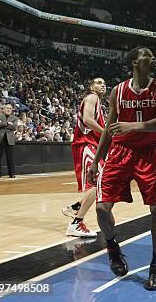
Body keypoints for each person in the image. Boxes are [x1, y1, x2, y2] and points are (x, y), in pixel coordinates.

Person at [88, 47, 156, 290]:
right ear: (135, 62)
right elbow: (109, 129)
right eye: (148, 54)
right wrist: (96, 161)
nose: (153, 57)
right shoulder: (118, 91)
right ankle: (112, 248)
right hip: (119, 153)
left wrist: (131, 126)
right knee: (102, 208)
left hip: (149, 153)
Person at [62, 77, 107, 238]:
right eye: (99, 83)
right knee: (98, 182)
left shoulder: (98, 103)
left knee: (98, 183)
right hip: (85, 145)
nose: (103, 86)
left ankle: (75, 207)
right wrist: (106, 132)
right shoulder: (92, 98)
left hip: (91, 146)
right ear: (91, 86)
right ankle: (76, 223)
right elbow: (88, 120)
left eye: (104, 84)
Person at [0, 103, 17, 178]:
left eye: (10, 108)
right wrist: (7, 123)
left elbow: (14, 127)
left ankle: (11, 173)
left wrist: (3, 124)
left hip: (9, 139)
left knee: (10, 157)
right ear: (3, 109)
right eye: (7, 108)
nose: (9, 109)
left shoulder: (14, 118)